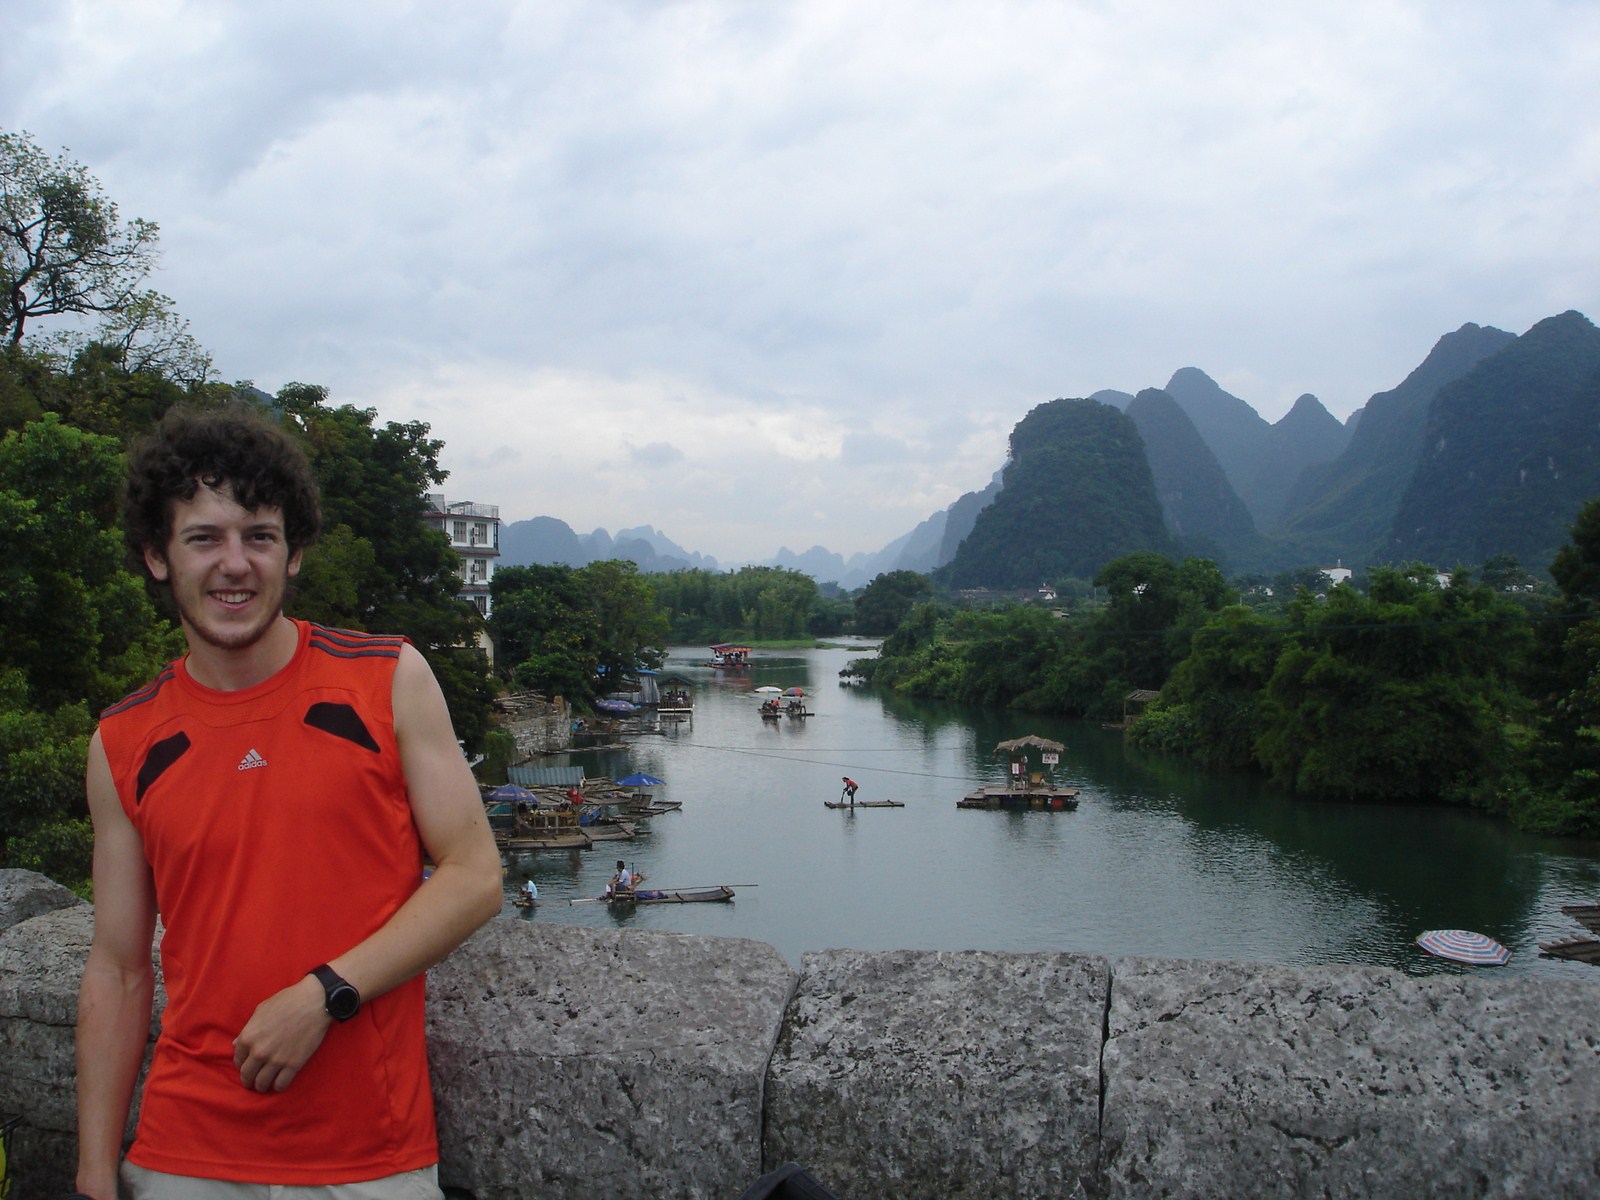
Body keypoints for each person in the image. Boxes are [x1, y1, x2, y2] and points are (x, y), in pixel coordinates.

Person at [73, 404, 504, 1200]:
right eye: (204, 538)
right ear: (158, 556)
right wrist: (95, 1172)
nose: (234, 564)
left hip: (369, 1154)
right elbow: (119, 968)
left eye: (260, 537)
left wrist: (325, 993)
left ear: (294, 552)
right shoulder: (124, 741)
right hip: (185, 1151)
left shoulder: (385, 680)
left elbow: (475, 875)